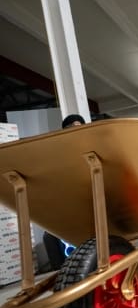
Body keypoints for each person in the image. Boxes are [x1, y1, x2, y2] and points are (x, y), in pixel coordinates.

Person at [43, 114, 86, 270]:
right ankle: (62, 274)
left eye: (77, 127)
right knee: (50, 237)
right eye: (69, 128)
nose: (74, 132)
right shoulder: (60, 152)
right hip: (71, 201)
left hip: (91, 199)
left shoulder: (91, 145)